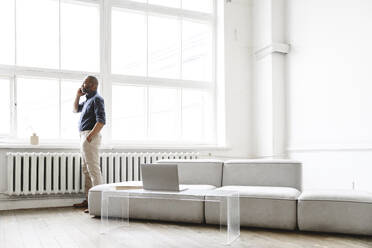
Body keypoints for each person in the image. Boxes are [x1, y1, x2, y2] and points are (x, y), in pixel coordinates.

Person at [72, 75, 106, 213]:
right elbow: (75, 110)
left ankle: (100, 204)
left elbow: (101, 121)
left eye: (85, 84)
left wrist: (90, 137)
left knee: (93, 169)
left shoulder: (97, 99)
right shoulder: (88, 100)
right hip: (84, 136)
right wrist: (77, 95)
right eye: (83, 83)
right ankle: (89, 200)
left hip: (89, 136)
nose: (83, 86)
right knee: (86, 170)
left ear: (93, 86)